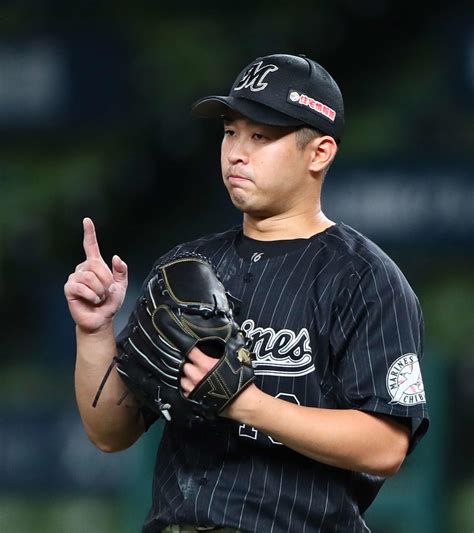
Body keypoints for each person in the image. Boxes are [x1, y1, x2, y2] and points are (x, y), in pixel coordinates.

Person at [65, 53, 429, 532]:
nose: (237, 151)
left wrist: (246, 403)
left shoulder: (363, 277)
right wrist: (94, 332)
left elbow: (385, 447)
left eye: (261, 136)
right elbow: (111, 433)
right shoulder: (186, 268)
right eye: (230, 131)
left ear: (318, 152)